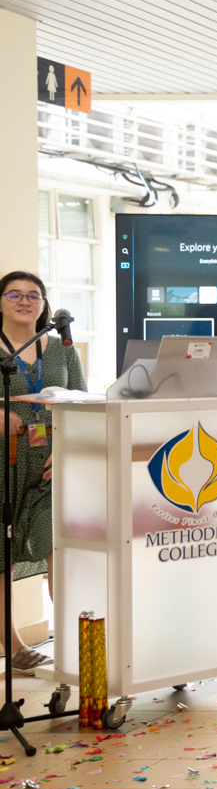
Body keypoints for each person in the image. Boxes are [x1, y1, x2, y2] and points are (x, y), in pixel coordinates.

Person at [0, 272, 82, 673]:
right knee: (2, 557)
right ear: (0, 302)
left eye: (34, 295)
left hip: (51, 463)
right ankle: (14, 647)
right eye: (14, 293)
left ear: (45, 304)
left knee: (59, 549)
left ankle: (73, 640)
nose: (25, 300)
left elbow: (83, 403)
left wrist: (68, 449)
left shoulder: (64, 349)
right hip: (4, 461)